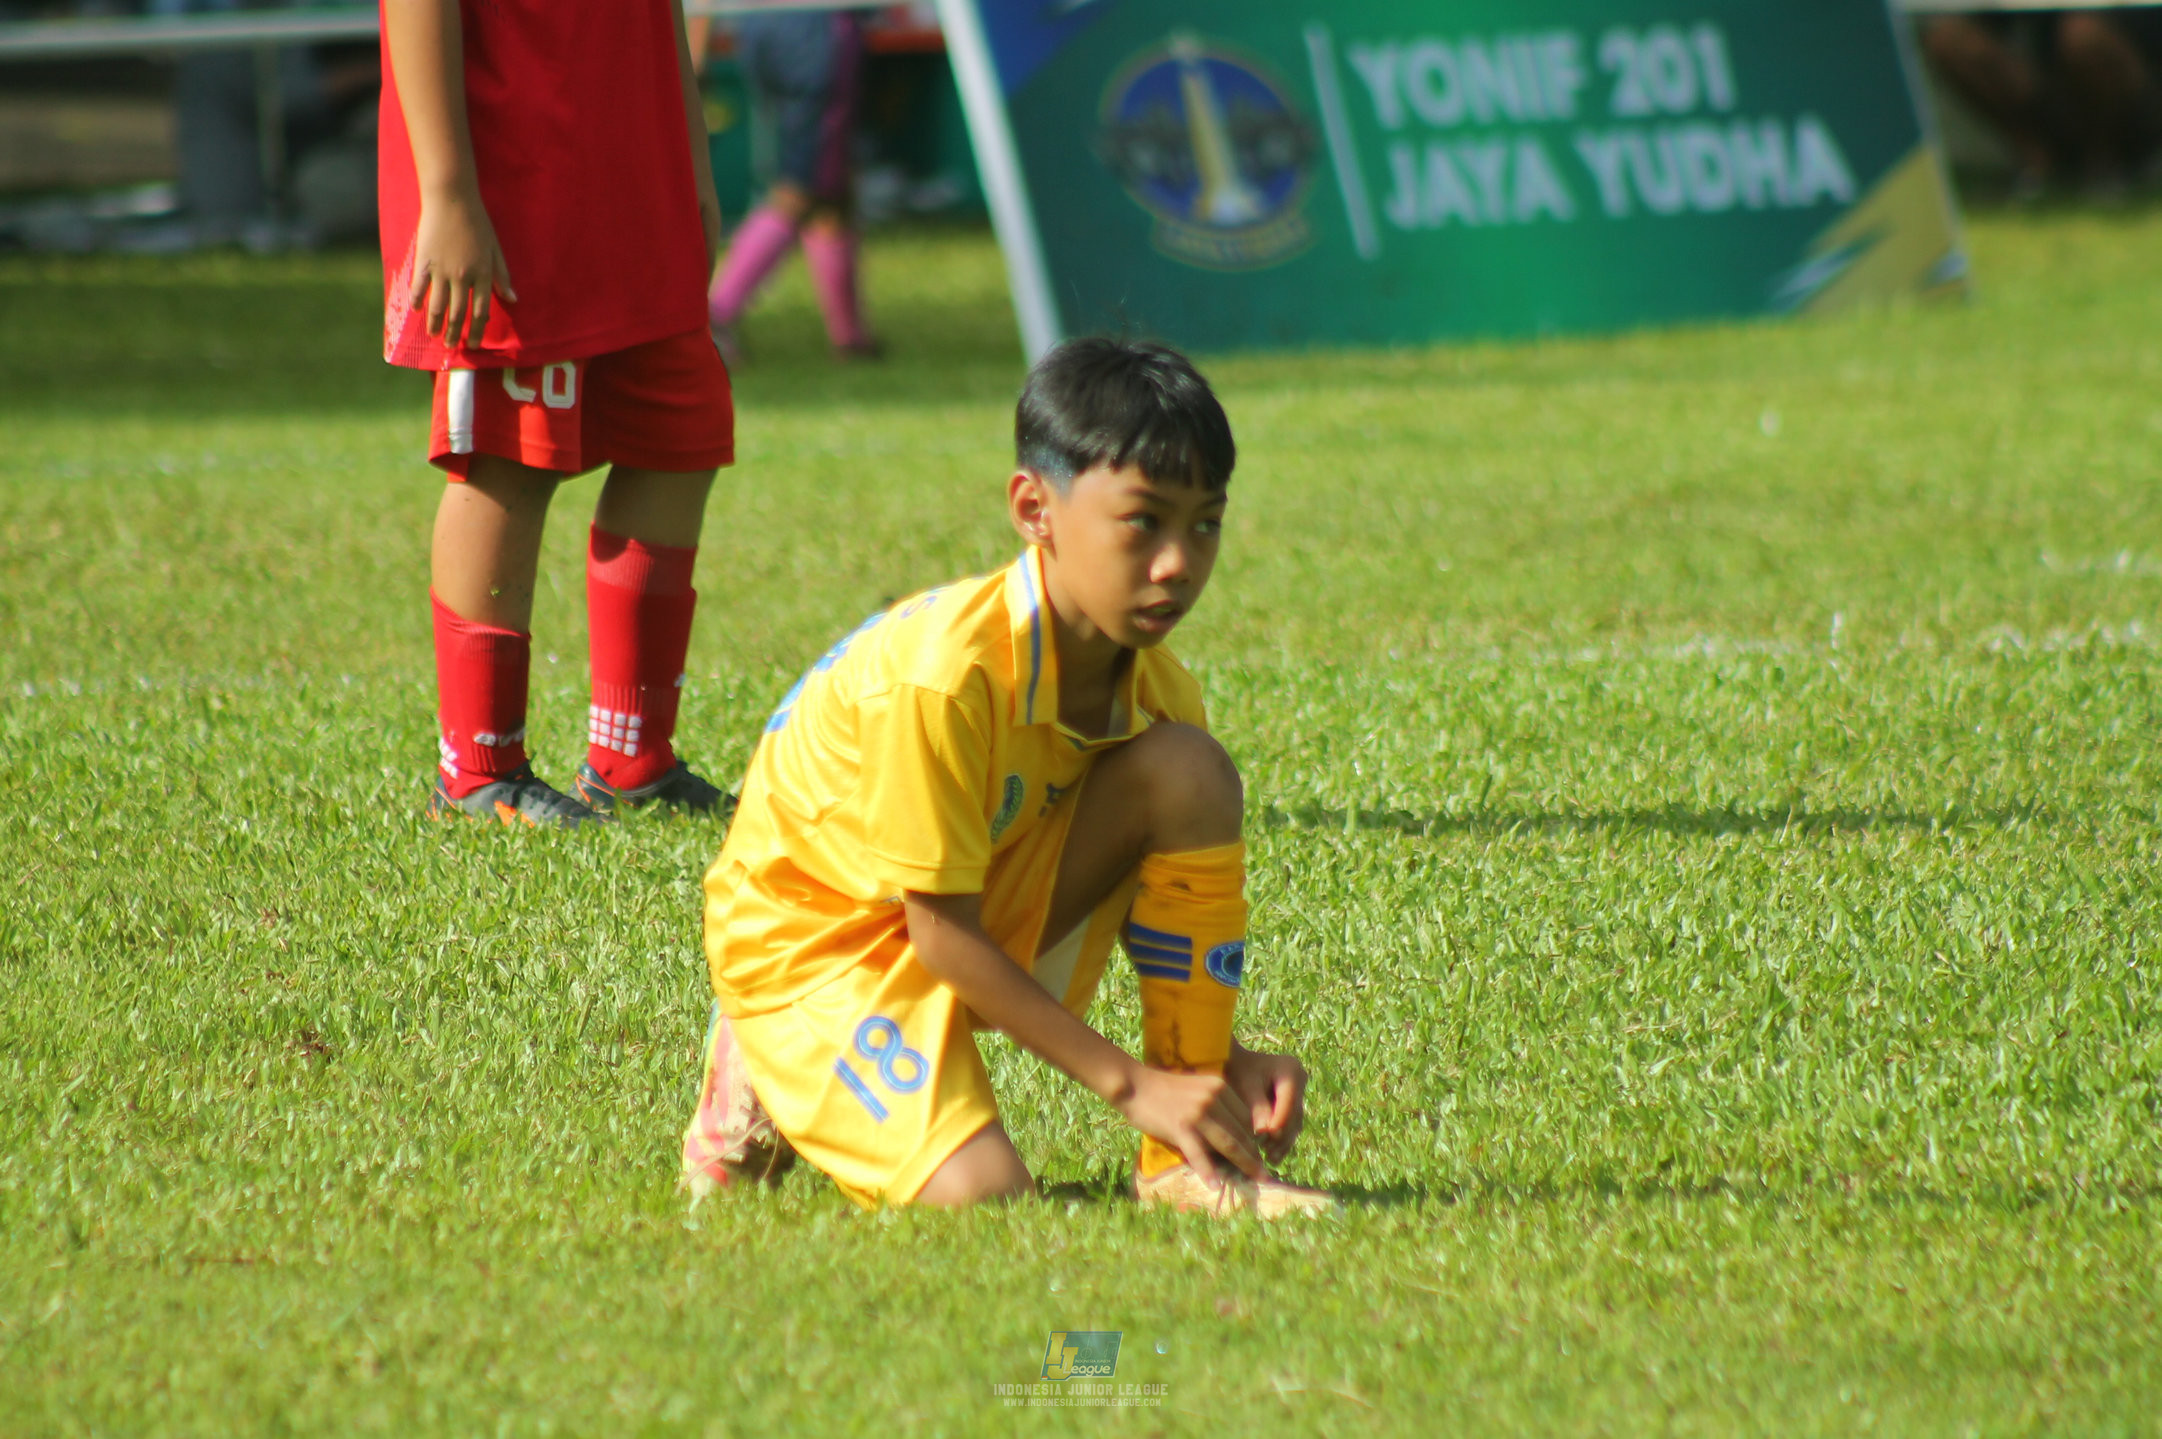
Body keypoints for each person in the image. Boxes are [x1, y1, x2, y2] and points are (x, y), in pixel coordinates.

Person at [679, 337, 1334, 1214]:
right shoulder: (946, 676)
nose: (1179, 561)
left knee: (1190, 773)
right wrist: (1133, 1083)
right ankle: (763, 1052)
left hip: (955, 907)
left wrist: (1212, 1059)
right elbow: (941, 935)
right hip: (819, 941)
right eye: (1145, 521)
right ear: (1035, 508)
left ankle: (1180, 1169)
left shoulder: (1162, 690)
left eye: (1204, 523)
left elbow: (1152, 900)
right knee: (986, 1201)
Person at [379, 0, 736, 826]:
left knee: (679, 439)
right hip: (514, 188)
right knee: (509, 460)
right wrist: (447, 193)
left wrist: (693, 163)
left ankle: (633, 758)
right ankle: (477, 770)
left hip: (634, 176)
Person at [704, 9, 879, 360]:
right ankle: (715, 315)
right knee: (801, 186)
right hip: (815, 28)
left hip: (758, 24)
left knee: (828, 183)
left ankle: (851, 337)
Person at [1921, 9, 2162, 196]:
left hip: (2134, 78)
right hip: (2047, 77)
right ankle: (2039, 165)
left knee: (2082, 35)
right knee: (1948, 36)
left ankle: (2108, 165)